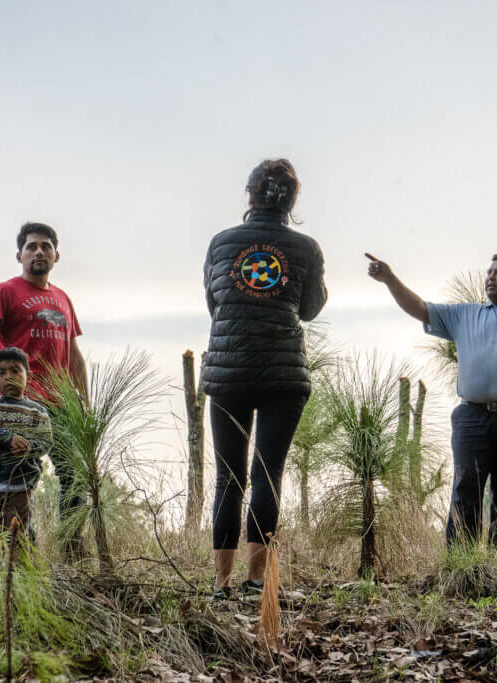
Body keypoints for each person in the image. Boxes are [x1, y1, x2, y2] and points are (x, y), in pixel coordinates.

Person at [366, 252, 497, 551]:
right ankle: (461, 563)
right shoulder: (464, 314)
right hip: (471, 416)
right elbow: (420, 309)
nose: (491, 277)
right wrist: (390, 280)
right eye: (490, 272)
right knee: (465, 487)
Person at [203, 159, 328, 596]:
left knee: (228, 477)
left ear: (249, 194)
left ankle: (220, 581)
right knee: (267, 473)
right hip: (284, 375)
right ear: (292, 201)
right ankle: (256, 580)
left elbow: (215, 302)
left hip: (227, 372)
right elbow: (310, 309)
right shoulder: (307, 249)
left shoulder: (221, 243)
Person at [0, 222, 88, 557]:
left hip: (60, 405)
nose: (39, 251)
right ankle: (17, 554)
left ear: (56, 255)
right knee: (17, 482)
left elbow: (74, 355)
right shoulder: (5, 291)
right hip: (19, 405)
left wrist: (85, 403)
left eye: (46, 246)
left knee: (75, 477)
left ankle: (71, 550)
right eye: (32, 246)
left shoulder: (63, 298)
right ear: (19, 255)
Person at [0, 347, 52, 540]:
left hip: (20, 485)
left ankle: (14, 569)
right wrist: (8, 439)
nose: (9, 376)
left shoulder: (38, 411)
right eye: (2, 372)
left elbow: (46, 441)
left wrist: (28, 448)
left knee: (15, 535)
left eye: (16, 370)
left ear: (29, 376)